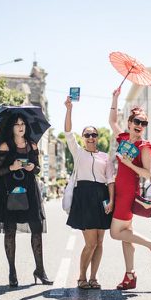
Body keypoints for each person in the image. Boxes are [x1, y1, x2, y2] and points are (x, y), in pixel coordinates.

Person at [108, 87, 151, 291]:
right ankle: (130, 276)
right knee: (126, 236)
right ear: (130, 123)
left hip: (128, 193)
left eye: (143, 123)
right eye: (137, 122)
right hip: (119, 190)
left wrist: (128, 164)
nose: (140, 126)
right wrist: (115, 98)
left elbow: (147, 174)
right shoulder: (123, 138)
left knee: (116, 233)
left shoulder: (145, 146)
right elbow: (112, 122)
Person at [0, 113, 51, 287]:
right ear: (12, 127)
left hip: (29, 190)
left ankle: (40, 270)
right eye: (17, 124)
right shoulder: (5, 146)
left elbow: (37, 169)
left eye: (22, 123)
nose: (21, 127)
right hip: (9, 190)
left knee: (36, 229)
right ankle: (12, 272)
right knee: (10, 231)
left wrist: (33, 167)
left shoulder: (32, 145)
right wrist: (11, 167)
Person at [64, 96, 114, 289]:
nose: (91, 137)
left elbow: (110, 180)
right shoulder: (78, 153)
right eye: (87, 135)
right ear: (83, 138)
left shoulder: (105, 157)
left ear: (98, 137)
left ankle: (93, 278)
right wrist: (69, 109)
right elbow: (68, 133)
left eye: (94, 134)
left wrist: (111, 200)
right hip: (84, 197)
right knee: (90, 243)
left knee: (100, 242)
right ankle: (81, 277)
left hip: (102, 197)